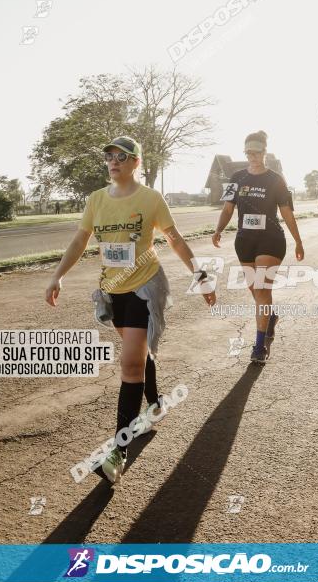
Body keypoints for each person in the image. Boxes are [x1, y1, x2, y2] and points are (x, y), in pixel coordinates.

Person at [44, 135, 215, 485]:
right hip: (113, 290)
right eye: (108, 156)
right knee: (138, 356)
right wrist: (58, 276)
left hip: (144, 287)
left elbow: (175, 238)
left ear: (136, 162)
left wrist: (200, 274)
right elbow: (80, 241)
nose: (113, 161)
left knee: (130, 364)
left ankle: (117, 453)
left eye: (121, 156)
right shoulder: (95, 200)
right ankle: (155, 405)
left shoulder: (151, 199)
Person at [212, 130, 304, 364]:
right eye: (249, 152)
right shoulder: (236, 177)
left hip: (270, 240)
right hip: (244, 241)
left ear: (265, 152)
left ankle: (260, 345)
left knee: (262, 291)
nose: (252, 156)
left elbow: (287, 213)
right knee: (256, 292)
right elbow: (227, 208)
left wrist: (298, 240)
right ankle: (270, 316)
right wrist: (219, 229)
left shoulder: (275, 180)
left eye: (257, 152)